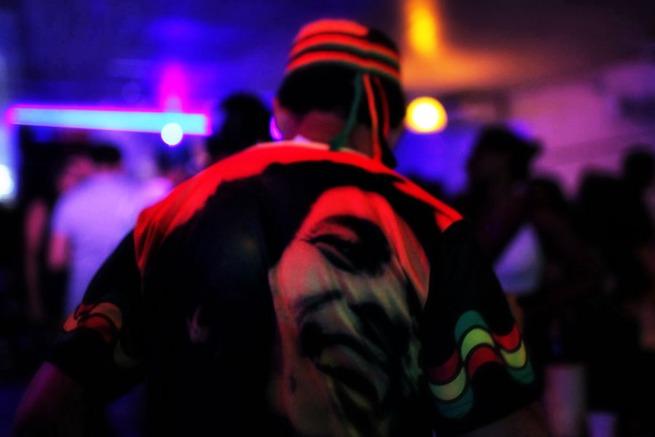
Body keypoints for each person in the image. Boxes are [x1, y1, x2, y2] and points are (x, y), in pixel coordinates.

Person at [15, 19, 546, 436]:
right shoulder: (429, 225)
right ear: (387, 117)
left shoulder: (173, 212)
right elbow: (505, 425)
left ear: (283, 111)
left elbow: (45, 411)